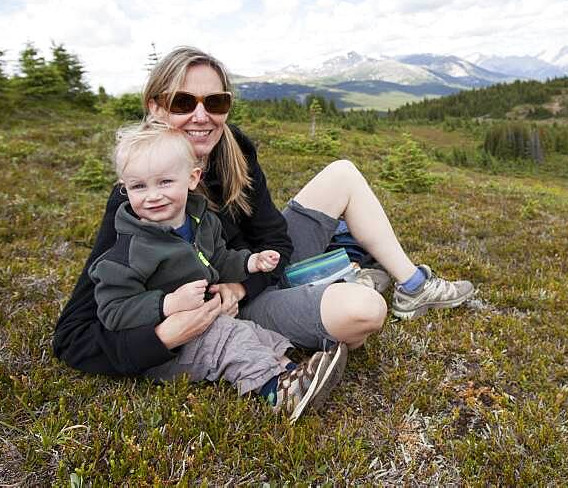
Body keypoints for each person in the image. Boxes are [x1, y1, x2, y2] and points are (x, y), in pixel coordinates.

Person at [53, 46, 474, 380]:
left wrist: (244, 285)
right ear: (156, 108)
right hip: (231, 309)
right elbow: (74, 337)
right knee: (364, 312)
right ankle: (349, 271)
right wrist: (163, 335)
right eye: (183, 102)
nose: (202, 116)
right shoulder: (138, 199)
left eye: (215, 102)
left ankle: (413, 285)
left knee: (342, 173)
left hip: (255, 273)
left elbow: (275, 239)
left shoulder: (233, 148)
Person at [89, 119, 346, 422]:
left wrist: (250, 263)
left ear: (192, 178)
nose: (152, 195)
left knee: (250, 332)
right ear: (124, 188)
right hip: (169, 349)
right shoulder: (127, 252)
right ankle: (278, 391)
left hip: (208, 318)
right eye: (138, 186)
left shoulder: (201, 221)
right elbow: (113, 312)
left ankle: (291, 372)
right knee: (228, 339)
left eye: (165, 182)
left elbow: (219, 258)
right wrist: (167, 304)